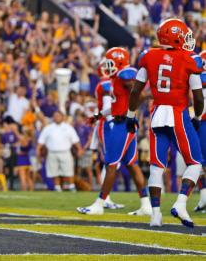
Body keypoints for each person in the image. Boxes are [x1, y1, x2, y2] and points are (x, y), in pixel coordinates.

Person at [126, 18, 204, 227]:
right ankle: (180, 203)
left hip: (157, 113)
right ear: (176, 37)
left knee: (156, 167)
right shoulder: (190, 59)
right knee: (195, 162)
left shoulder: (148, 55)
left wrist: (131, 115)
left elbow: (135, 90)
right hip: (178, 113)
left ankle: (155, 216)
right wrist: (197, 117)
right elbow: (198, 97)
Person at [77, 47, 151, 216]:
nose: (107, 66)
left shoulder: (126, 74)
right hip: (123, 122)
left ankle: (99, 204)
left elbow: (139, 93)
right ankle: (146, 205)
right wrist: (98, 115)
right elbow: (116, 105)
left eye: (110, 62)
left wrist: (131, 112)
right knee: (132, 165)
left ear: (118, 61)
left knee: (111, 165)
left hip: (123, 125)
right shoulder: (117, 78)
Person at [89, 60, 124, 209]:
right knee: (111, 162)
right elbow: (108, 107)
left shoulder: (106, 83)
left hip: (106, 122)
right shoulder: (106, 84)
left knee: (112, 162)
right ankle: (106, 198)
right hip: (108, 123)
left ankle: (106, 197)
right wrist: (111, 123)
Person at [37, 111, 83, 192]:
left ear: (62, 117)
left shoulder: (68, 128)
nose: (57, 117)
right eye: (55, 116)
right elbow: (41, 141)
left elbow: (75, 140)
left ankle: (72, 186)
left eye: (58, 116)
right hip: (52, 152)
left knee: (68, 170)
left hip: (65, 152)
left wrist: (79, 149)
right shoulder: (48, 128)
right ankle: (57, 187)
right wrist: (38, 150)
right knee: (54, 172)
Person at [194, 50, 206, 213]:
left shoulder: (200, 78)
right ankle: (203, 197)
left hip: (202, 122)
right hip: (200, 121)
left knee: (198, 161)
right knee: (198, 162)